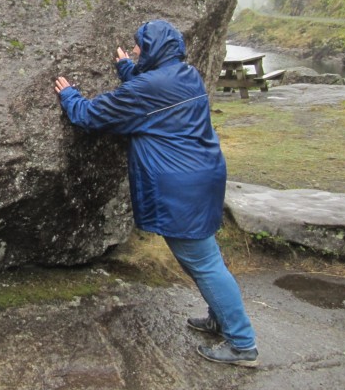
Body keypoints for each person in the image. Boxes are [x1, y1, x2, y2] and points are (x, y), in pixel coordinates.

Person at [54, 19, 259, 368]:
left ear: (153, 49)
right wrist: (128, 70)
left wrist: (69, 95)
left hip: (182, 187)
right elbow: (151, 95)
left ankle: (242, 344)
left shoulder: (149, 87)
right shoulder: (185, 74)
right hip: (203, 175)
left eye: (139, 46)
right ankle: (221, 319)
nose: (134, 50)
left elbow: (91, 116)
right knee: (205, 257)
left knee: (204, 263)